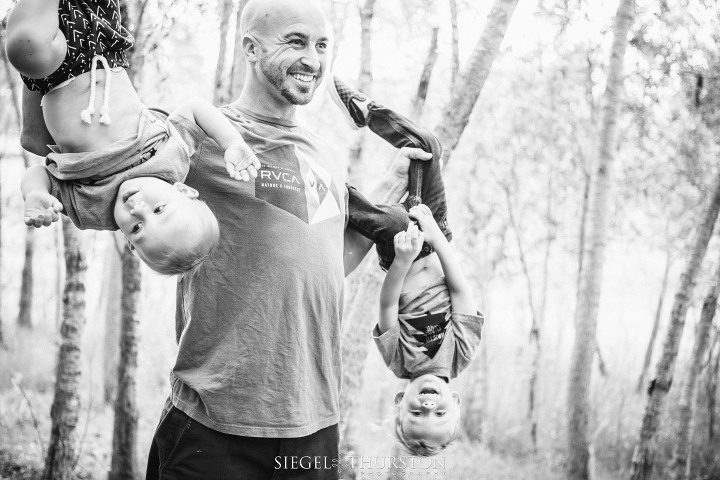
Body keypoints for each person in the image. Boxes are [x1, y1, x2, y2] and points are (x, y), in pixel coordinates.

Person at [139, 1, 432, 478]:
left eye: (321, 46)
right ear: (251, 49)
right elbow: (127, 184)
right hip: (214, 426)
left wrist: (391, 184)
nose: (313, 60)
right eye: (295, 42)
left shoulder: (324, 154)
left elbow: (327, 264)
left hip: (311, 426)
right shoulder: (202, 137)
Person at [6, 0, 261, 275]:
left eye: (137, 228)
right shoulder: (172, 161)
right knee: (32, 48)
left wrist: (34, 194)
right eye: (160, 209)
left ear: (129, 242)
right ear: (183, 190)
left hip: (51, 71)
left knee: (29, 51)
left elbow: (39, 174)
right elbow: (195, 109)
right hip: (100, 43)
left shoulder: (90, 209)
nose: (138, 209)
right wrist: (232, 142)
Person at [329, 78, 484, 456]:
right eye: (439, 413)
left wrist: (401, 259)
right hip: (436, 236)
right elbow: (460, 288)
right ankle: (366, 113)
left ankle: (330, 190)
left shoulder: (398, 360)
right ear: (455, 402)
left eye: (417, 412)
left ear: (401, 399)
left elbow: (386, 308)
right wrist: (433, 231)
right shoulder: (462, 352)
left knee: (388, 220)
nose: (428, 406)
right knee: (427, 147)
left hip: (401, 250)